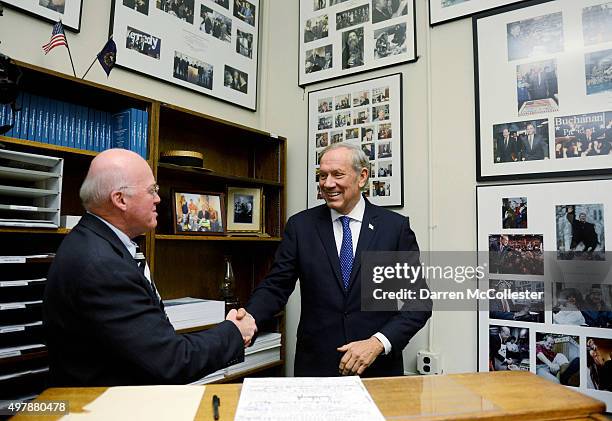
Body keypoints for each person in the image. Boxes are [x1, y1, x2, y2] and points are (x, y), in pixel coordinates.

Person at [43, 149, 257, 386]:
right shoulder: (102, 265)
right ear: (120, 199)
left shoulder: (96, 243)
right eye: (152, 190)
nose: (158, 198)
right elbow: (170, 361)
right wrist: (235, 332)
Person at [236, 143, 432, 377]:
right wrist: (251, 316)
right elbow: (276, 285)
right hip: (317, 368)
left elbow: (418, 303)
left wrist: (377, 344)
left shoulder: (394, 229)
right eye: (322, 176)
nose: (328, 184)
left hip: (377, 369)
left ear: (362, 177)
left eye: (337, 175)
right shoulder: (301, 227)